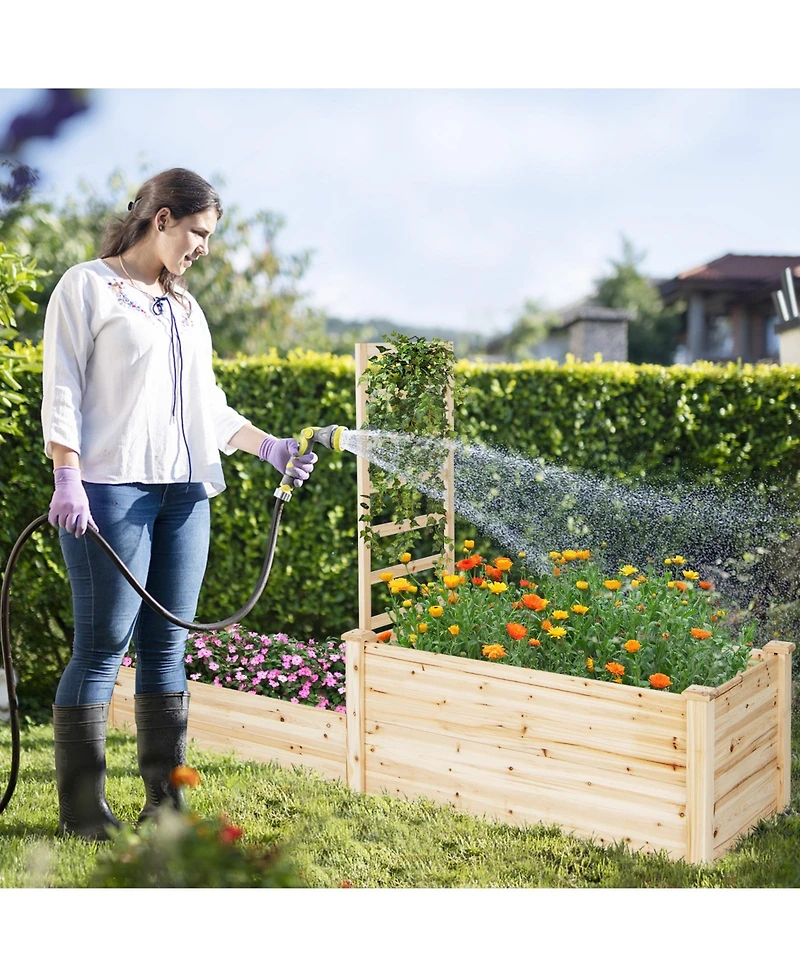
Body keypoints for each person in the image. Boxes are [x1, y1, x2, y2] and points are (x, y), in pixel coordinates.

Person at [40, 167, 317, 840]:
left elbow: (209, 405)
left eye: (209, 237)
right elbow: (64, 386)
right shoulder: (87, 287)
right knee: (104, 644)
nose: (202, 248)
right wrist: (66, 472)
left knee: (168, 648)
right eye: (197, 232)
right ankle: (83, 809)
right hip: (110, 489)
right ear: (161, 219)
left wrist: (265, 445)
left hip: (187, 492)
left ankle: (166, 802)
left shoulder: (186, 309)